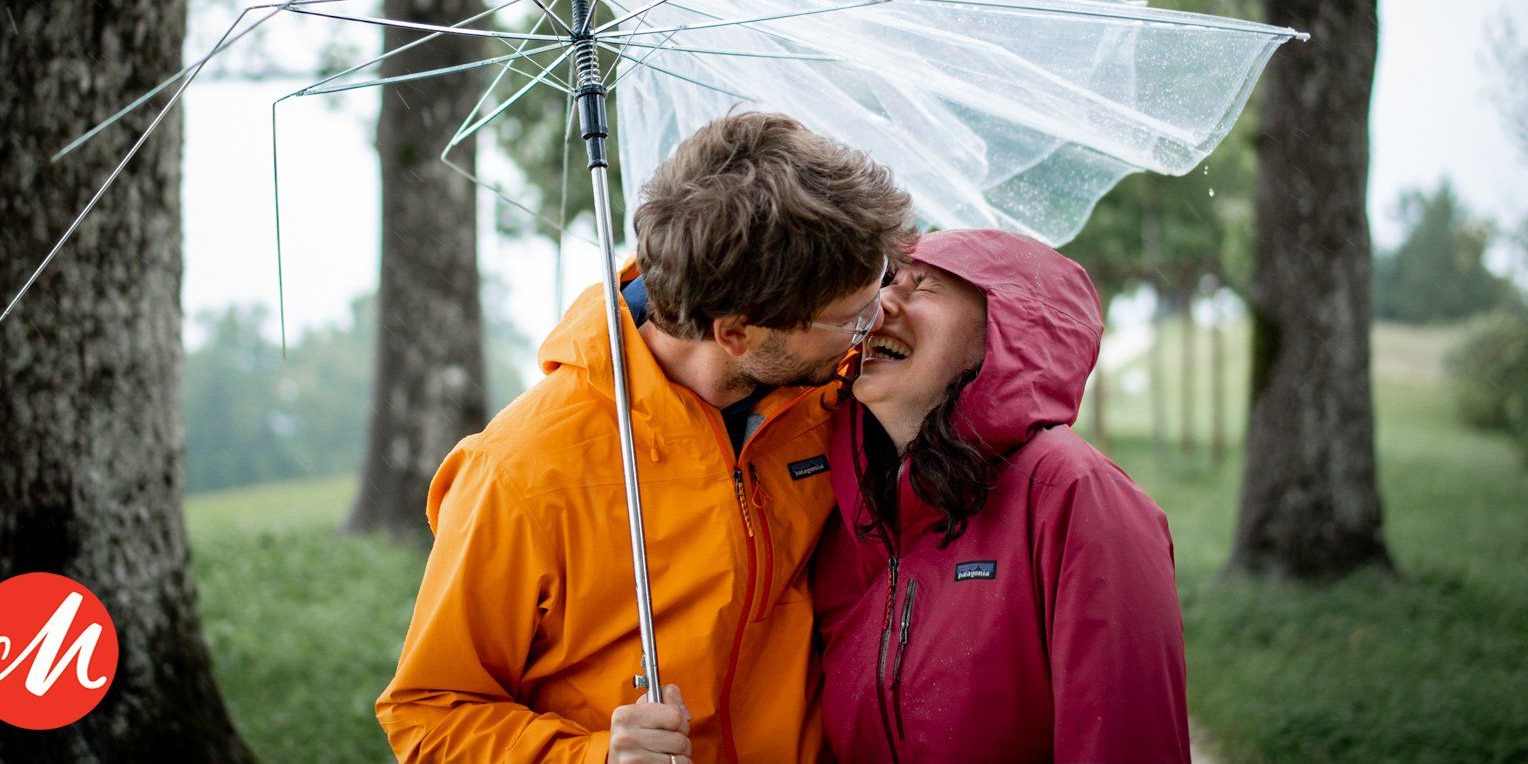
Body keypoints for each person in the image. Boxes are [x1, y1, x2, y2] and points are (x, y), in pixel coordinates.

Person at [376, 111, 916, 763]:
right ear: (737, 334)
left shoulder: (836, 401)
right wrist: (594, 758)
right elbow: (427, 716)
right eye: (849, 317)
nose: (878, 316)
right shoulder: (519, 473)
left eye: (879, 283)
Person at [814, 229, 1190, 764]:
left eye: (921, 287)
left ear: (1011, 331)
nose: (881, 305)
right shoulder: (852, 510)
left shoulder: (1076, 497)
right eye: (888, 282)